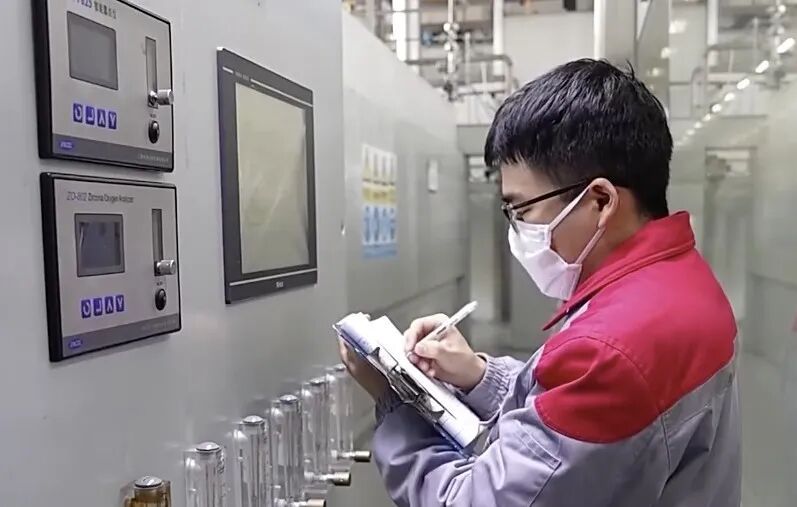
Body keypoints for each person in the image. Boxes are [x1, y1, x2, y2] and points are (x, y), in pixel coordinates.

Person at [338, 59, 740, 507]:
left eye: (522, 209)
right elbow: (573, 410)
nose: (517, 229)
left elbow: (469, 500)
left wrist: (396, 402)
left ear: (601, 201)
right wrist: (477, 375)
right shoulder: (679, 280)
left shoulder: (614, 348)